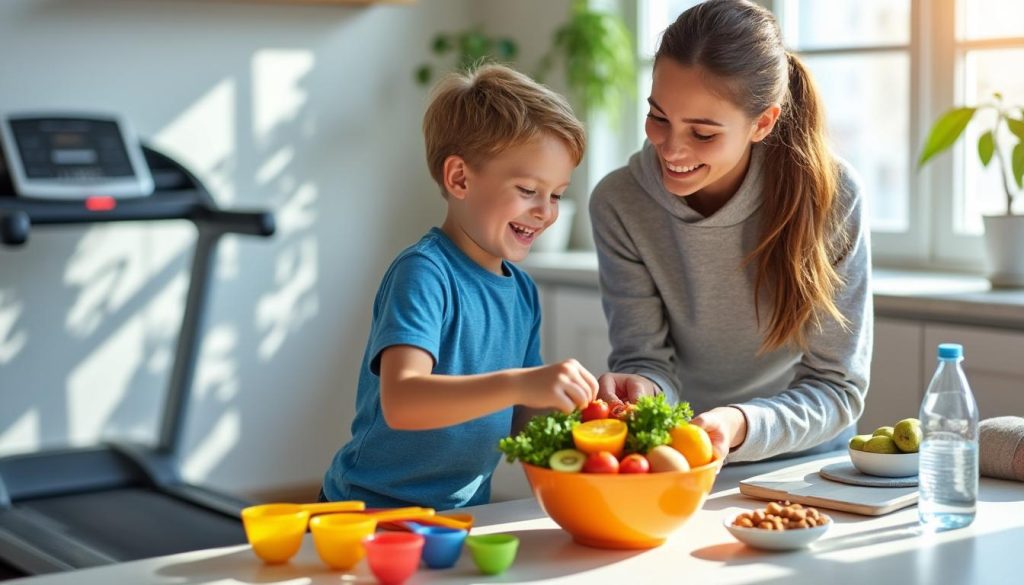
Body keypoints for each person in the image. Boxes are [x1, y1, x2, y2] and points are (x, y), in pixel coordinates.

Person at [589, 0, 872, 464]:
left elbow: (837, 388)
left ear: (763, 122)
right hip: (689, 460)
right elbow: (646, 360)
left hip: (810, 468)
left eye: (702, 133)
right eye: (659, 117)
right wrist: (639, 387)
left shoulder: (831, 196)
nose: (672, 149)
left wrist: (740, 423)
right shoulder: (620, 203)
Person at [321, 64, 598, 510]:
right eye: (529, 189)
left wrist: (577, 409)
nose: (546, 212)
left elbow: (522, 421)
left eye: (557, 195)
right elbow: (403, 400)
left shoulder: (522, 292)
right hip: (370, 511)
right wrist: (521, 384)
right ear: (460, 179)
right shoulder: (424, 273)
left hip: (460, 514)